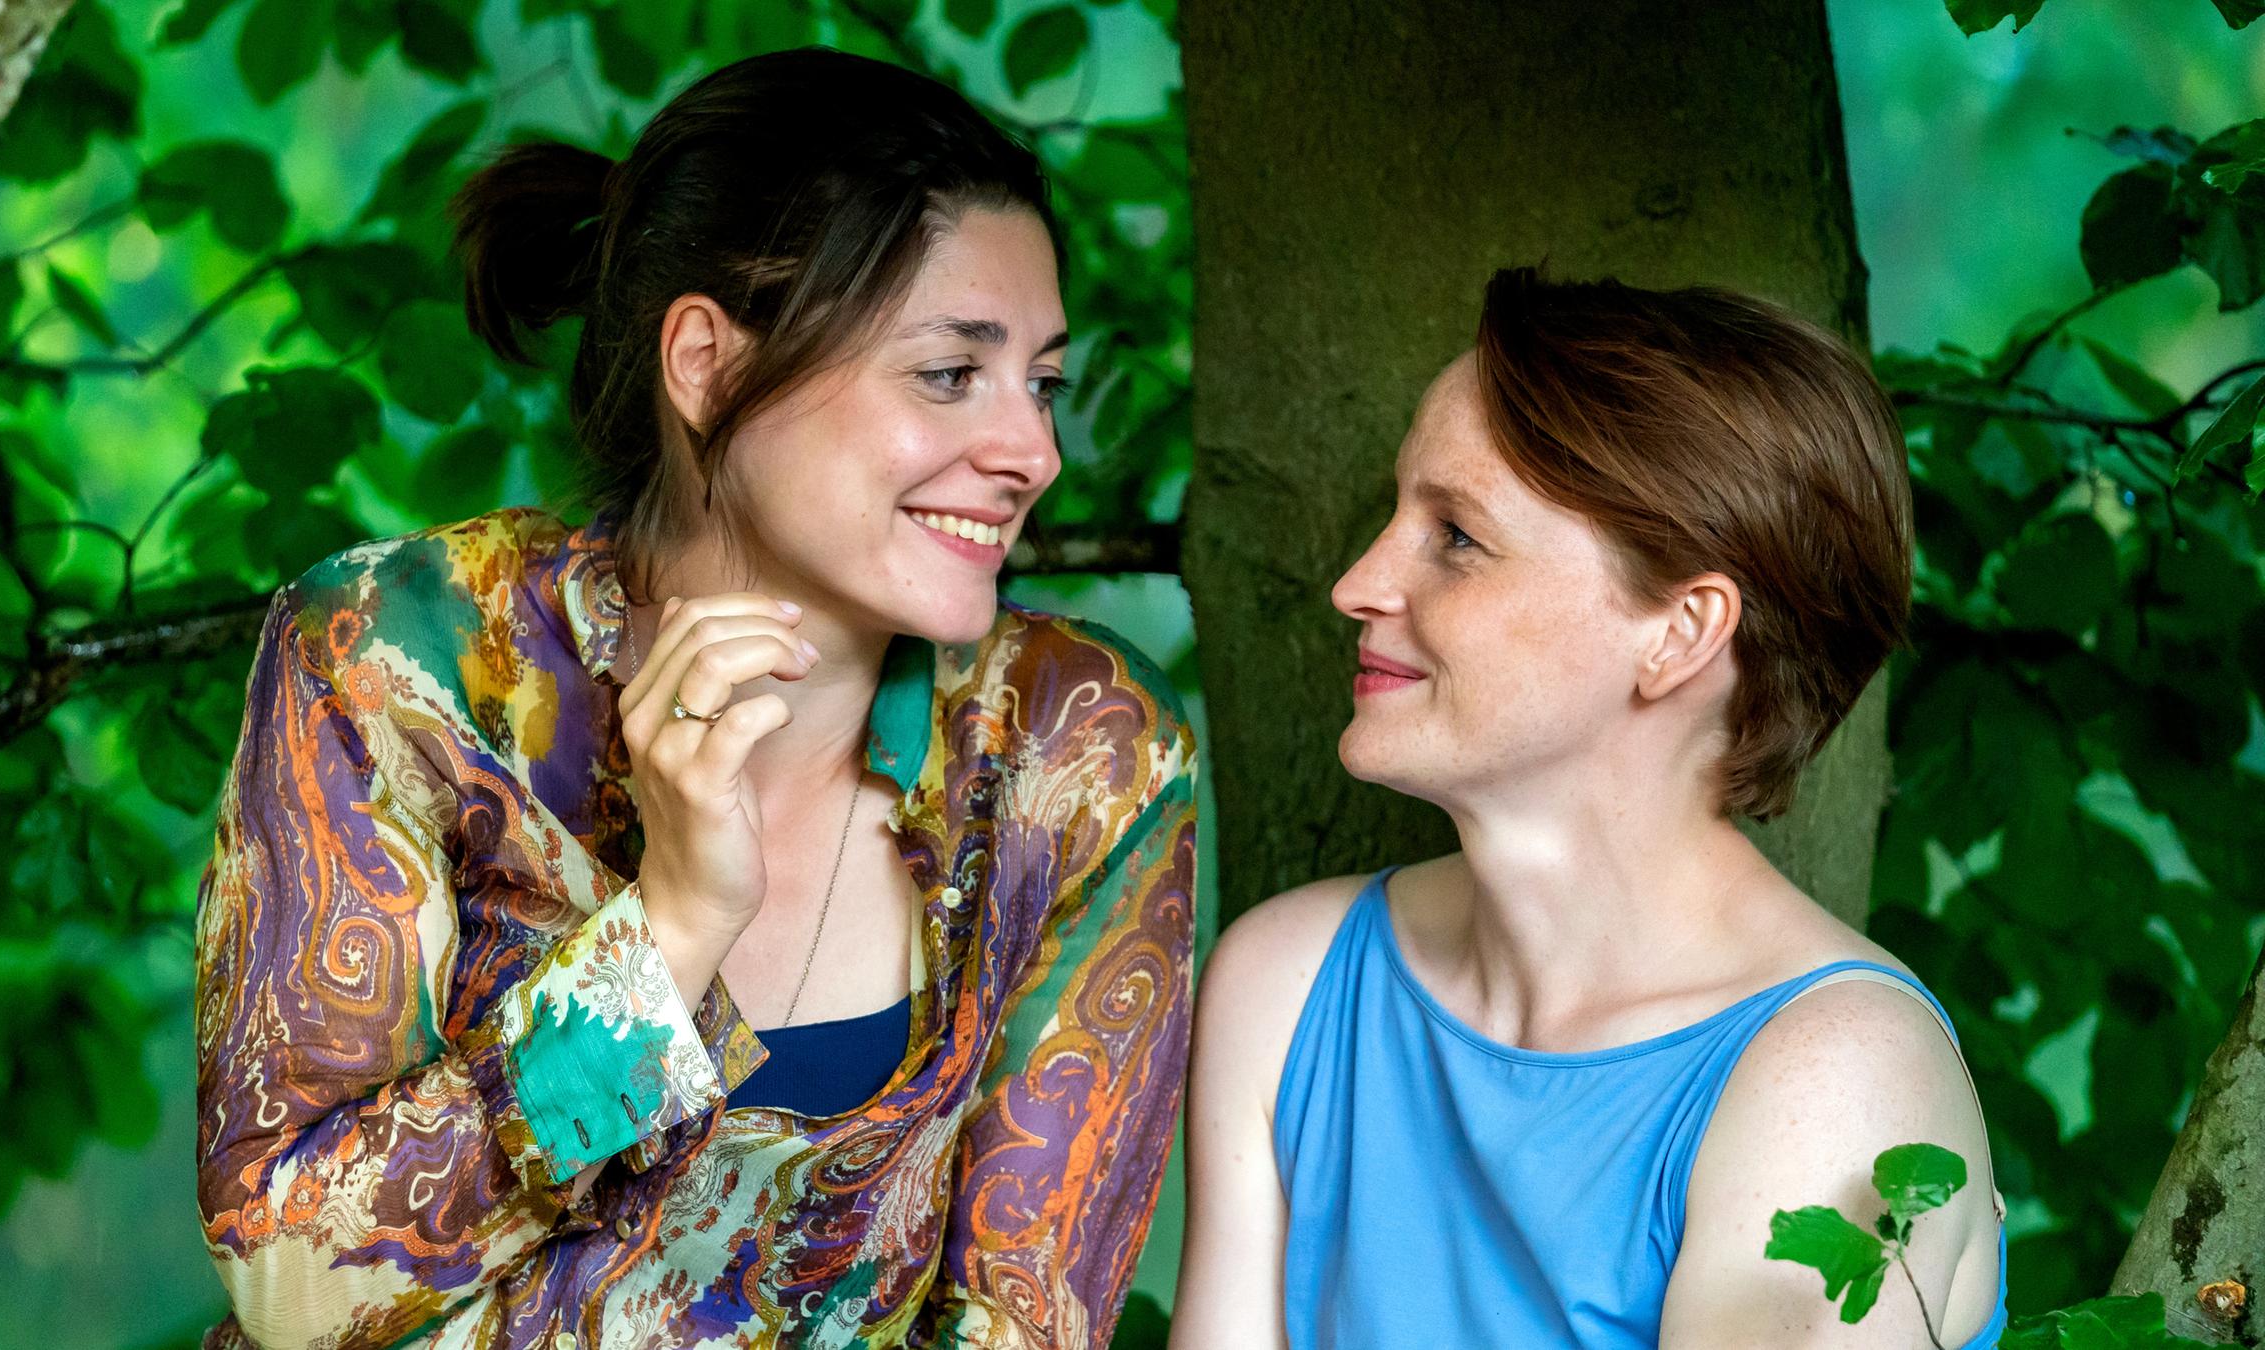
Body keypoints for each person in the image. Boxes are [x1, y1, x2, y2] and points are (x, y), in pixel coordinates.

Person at [193, 48, 1196, 1349]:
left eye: (1042, 383)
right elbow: (291, 1282)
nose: (1033, 452)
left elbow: (1026, 1321)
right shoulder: (399, 662)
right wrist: (668, 933)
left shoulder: (1081, 750)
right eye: (952, 373)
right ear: (709, 364)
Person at [1172, 269, 2006, 1349]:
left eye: (1457, 537)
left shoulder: (1836, 1078)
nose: (1359, 583)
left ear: (1681, 633)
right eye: (1398, 516)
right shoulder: (1290, 985)